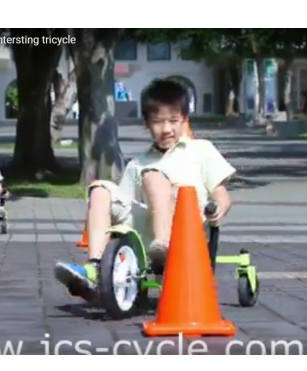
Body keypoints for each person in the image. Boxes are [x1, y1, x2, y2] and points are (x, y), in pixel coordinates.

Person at [54, 78, 236, 302]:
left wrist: (220, 208)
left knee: (153, 177)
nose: (166, 129)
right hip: (146, 231)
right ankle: (94, 269)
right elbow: (123, 208)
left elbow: (220, 193)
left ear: (185, 120)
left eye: (173, 120)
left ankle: (164, 246)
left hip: (187, 230)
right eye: (158, 122)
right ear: (147, 124)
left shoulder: (201, 150)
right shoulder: (138, 163)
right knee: (100, 189)